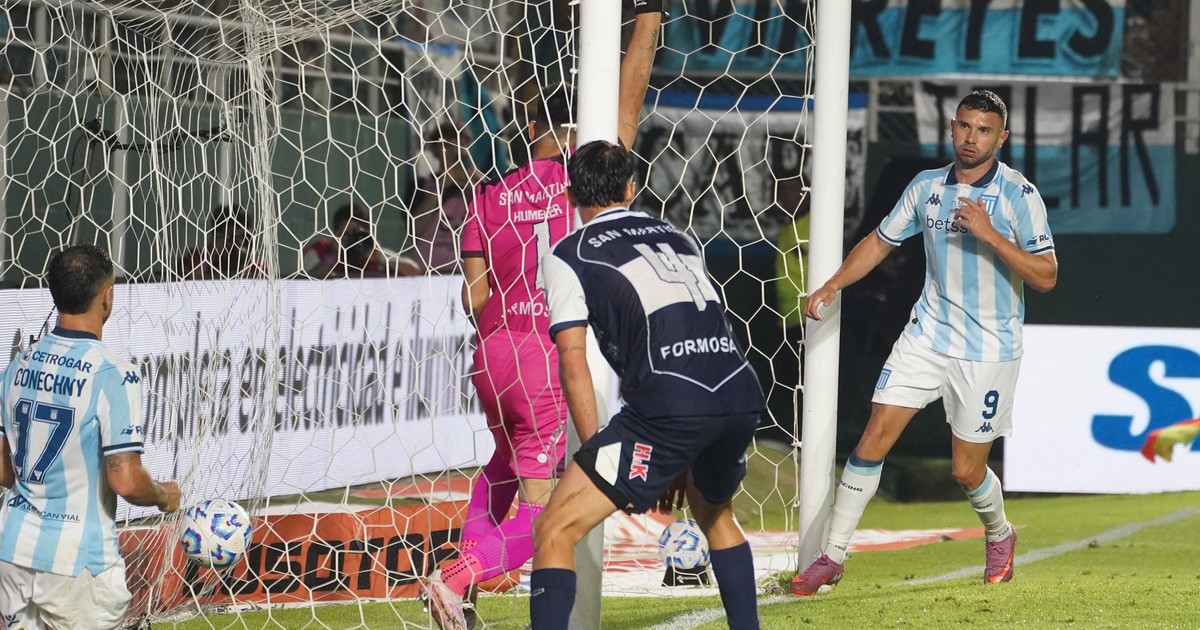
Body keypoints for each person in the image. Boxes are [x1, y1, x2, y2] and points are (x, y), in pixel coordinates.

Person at [418, 3, 663, 629]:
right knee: (546, 511)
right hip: (545, 359)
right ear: (581, 126)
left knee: (500, 468)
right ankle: (456, 579)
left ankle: (461, 597)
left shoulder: (488, 197)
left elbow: (474, 298)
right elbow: (631, 100)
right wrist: (648, 19)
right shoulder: (584, 185)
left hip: (492, 358)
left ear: (528, 126)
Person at [791, 90, 1057, 596]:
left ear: (1001, 138)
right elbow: (880, 241)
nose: (971, 138)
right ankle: (833, 556)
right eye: (964, 126)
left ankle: (1000, 533)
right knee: (873, 438)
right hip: (926, 336)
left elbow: (1046, 276)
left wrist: (990, 234)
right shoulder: (926, 186)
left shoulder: (1020, 195)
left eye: (983, 130)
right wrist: (832, 285)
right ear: (952, 127)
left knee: (966, 471)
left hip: (989, 350)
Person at [529, 140, 764, 630]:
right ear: (632, 189)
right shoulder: (679, 237)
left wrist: (595, 452)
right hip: (738, 390)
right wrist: (680, 450)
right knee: (714, 515)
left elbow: (572, 360)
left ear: (570, 194)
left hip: (672, 403)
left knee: (553, 529)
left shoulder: (567, 254)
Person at [0, 244, 182, 628]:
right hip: (77, 562)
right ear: (107, 296)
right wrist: (164, 496)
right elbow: (126, 480)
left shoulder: (17, 365)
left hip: (12, 550)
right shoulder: (113, 374)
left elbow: (2, 471)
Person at [409, 121, 481, 275]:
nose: (455, 150)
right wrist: (441, 186)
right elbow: (415, 230)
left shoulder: (480, 186)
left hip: (466, 271)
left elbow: (494, 226)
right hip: (428, 270)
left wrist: (477, 187)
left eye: (461, 145)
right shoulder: (422, 185)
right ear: (436, 149)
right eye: (447, 145)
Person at [303, 202, 420, 278]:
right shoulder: (320, 250)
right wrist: (333, 255)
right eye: (346, 233)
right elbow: (306, 280)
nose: (351, 238)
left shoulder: (371, 253)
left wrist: (383, 260)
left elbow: (414, 270)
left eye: (356, 232)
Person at [178, 204, 264, 280]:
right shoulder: (197, 257)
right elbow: (193, 279)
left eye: (239, 237)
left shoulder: (258, 268)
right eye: (229, 237)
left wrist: (245, 264)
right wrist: (211, 256)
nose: (234, 243)